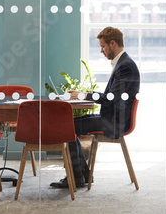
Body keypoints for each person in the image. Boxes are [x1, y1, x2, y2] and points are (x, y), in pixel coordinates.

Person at [50, 26, 140, 188]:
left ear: (112, 44)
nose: (101, 51)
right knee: (68, 125)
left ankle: (77, 176)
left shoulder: (125, 66)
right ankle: (82, 174)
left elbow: (113, 98)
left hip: (114, 122)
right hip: (111, 118)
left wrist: (84, 95)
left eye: (103, 46)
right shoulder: (123, 63)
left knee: (65, 127)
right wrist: (85, 94)